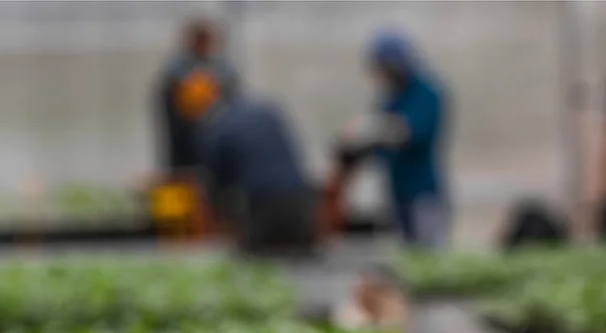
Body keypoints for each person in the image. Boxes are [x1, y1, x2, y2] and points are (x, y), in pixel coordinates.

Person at [333, 29, 451, 250]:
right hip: (398, 191)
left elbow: (410, 132)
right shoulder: (391, 98)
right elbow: (380, 141)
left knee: (429, 253)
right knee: (407, 252)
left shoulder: (427, 93)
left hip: (422, 193)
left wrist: (371, 132)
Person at [177, 74, 318, 255]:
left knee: (255, 266)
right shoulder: (265, 110)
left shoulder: (212, 132)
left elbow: (219, 188)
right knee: (301, 264)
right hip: (303, 203)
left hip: (264, 209)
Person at [152, 20, 240, 235]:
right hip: (184, 141)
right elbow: (168, 108)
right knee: (184, 183)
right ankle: (183, 228)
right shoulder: (176, 71)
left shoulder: (222, 69)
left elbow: (233, 103)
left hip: (215, 143)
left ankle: (215, 224)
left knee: (215, 185)